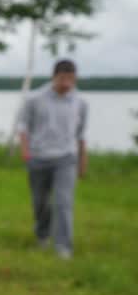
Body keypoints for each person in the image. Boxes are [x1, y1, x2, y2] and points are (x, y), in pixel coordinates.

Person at [16, 59, 88, 259]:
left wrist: (83, 161)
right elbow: (23, 126)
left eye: (71, 80)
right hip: (38, 157)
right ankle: (42, 235)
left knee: (63, 203)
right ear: (54, 77)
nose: (67, 84)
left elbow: (81, 135)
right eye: (63, 79)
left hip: (66, 158)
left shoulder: (80, 102)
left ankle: (63, 247)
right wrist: (25, 151)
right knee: (40, 202)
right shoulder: (34, 98)